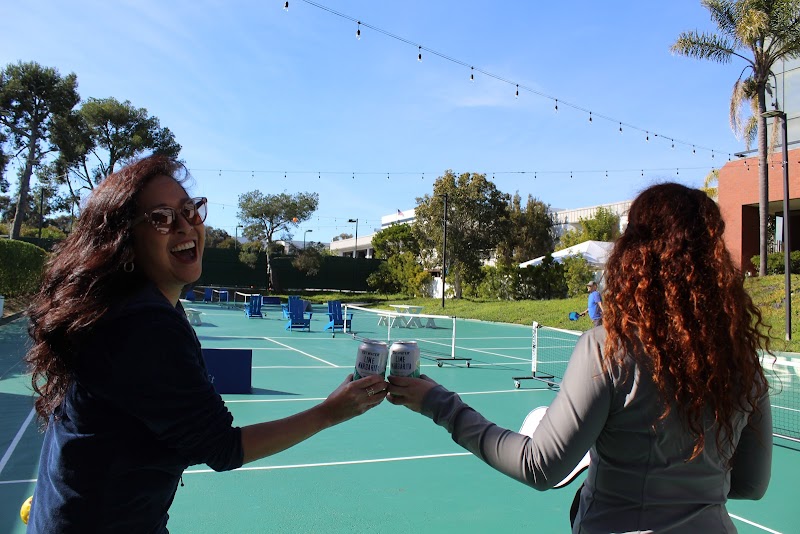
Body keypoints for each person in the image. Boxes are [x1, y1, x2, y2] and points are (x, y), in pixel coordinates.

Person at [25, 155, 388, 532]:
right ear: (124, 239)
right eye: (162, 218)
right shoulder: (144, 325)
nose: (185, 226)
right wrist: (329, 413)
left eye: (190, 210)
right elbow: (223, 448)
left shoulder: (128, 307)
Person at [387, 183, 772, 533]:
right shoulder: (743, 361)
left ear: (634, 253)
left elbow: (538, 466)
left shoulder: (608, 349)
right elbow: (751, 485)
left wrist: (440, 404)